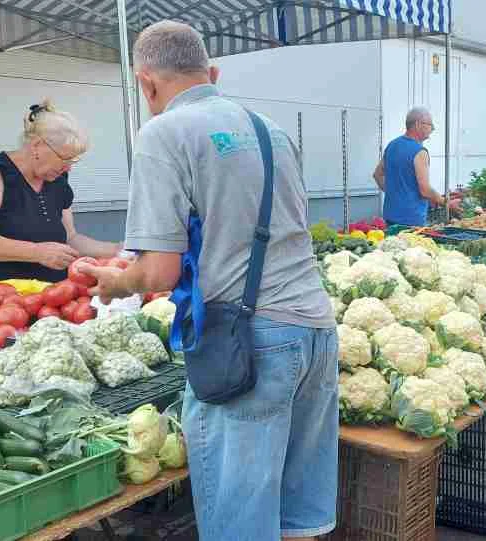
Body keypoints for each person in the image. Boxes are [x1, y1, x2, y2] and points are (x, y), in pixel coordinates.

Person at [79, 21, 338, 541]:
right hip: (316, 333)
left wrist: (114, 284)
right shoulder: (272, 130)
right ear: (211, 73)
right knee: (299, 516)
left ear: (145, 82)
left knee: (239, 524)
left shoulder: (164, 133)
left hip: (249, 348)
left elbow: (158, 272)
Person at [0, 101, 120, 291]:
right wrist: (37, 252)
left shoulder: (58, 180)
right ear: (37, 145)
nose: (68, 167)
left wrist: (118, 250)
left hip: (44, 297)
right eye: (65, 158)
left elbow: (70, 238)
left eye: (73, 161)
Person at [373, 107, 446, 226]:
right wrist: (446, 203)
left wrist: (393, 193)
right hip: (411, 219)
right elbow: (425, 190)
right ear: (417, 124)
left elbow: (377, 175)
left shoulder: (392, 145)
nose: (432, 129)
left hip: (390, 215)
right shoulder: (419, 152)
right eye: (430, 124)